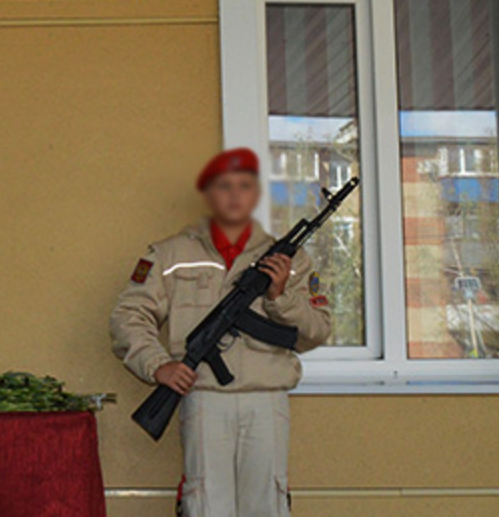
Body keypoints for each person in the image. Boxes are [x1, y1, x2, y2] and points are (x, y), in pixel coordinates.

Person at [110, 148, 332, 517]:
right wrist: (158, 365)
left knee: (268, 504)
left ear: (255, 196)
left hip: (266, 399)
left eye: (244, 186)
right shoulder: (169, 254)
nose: (233, 195)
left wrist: (279, 297)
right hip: (205, 398)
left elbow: (317, 331)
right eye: (223, 186)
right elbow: (128, 316)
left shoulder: (288, 261)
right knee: (206, 503)